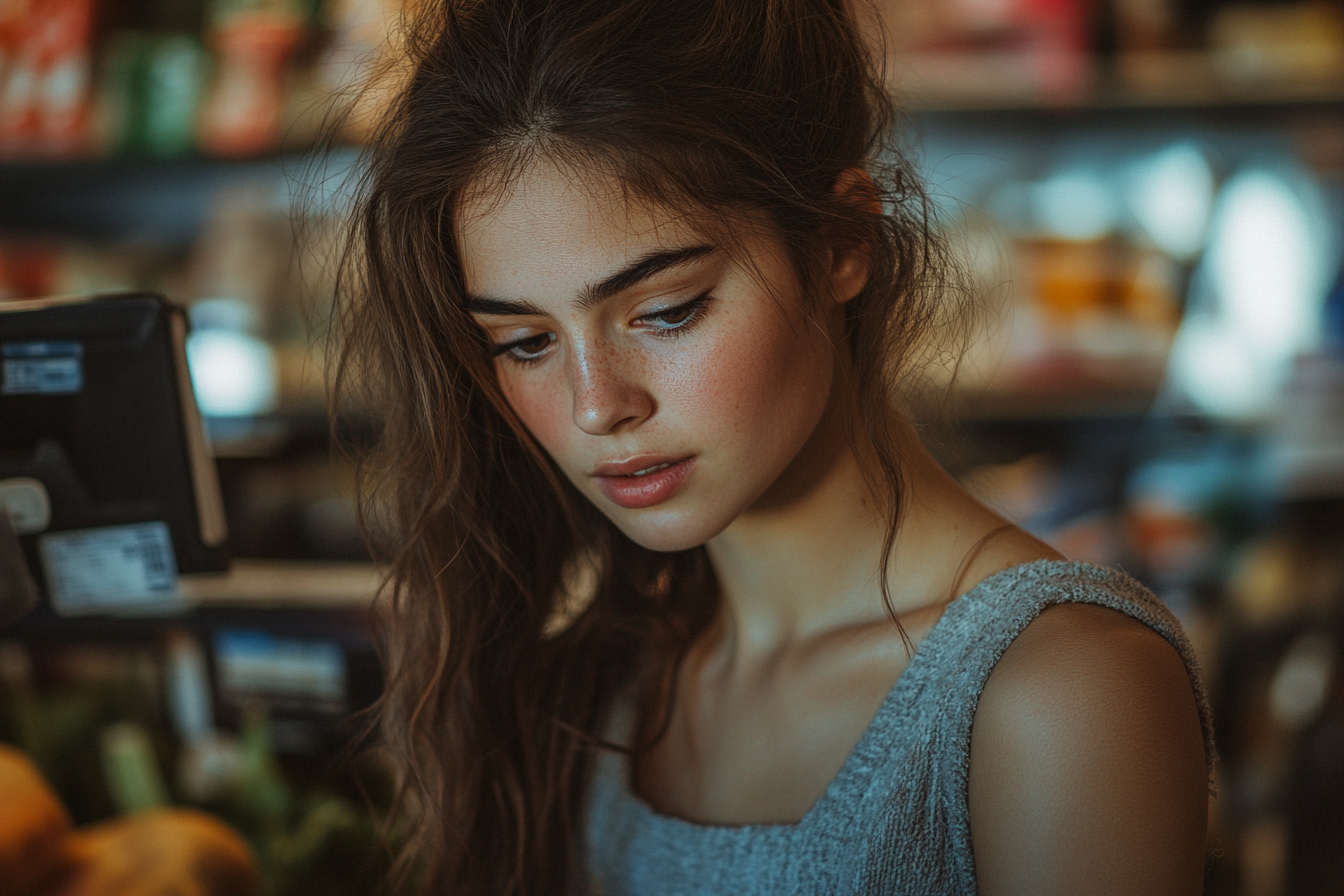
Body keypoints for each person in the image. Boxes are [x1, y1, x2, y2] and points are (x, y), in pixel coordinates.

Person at [331, 1, 1214, 893]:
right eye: (527, 342)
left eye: (667, 311)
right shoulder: (604, 677)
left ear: (840, 241)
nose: (597, 406)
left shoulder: (1057, 692)